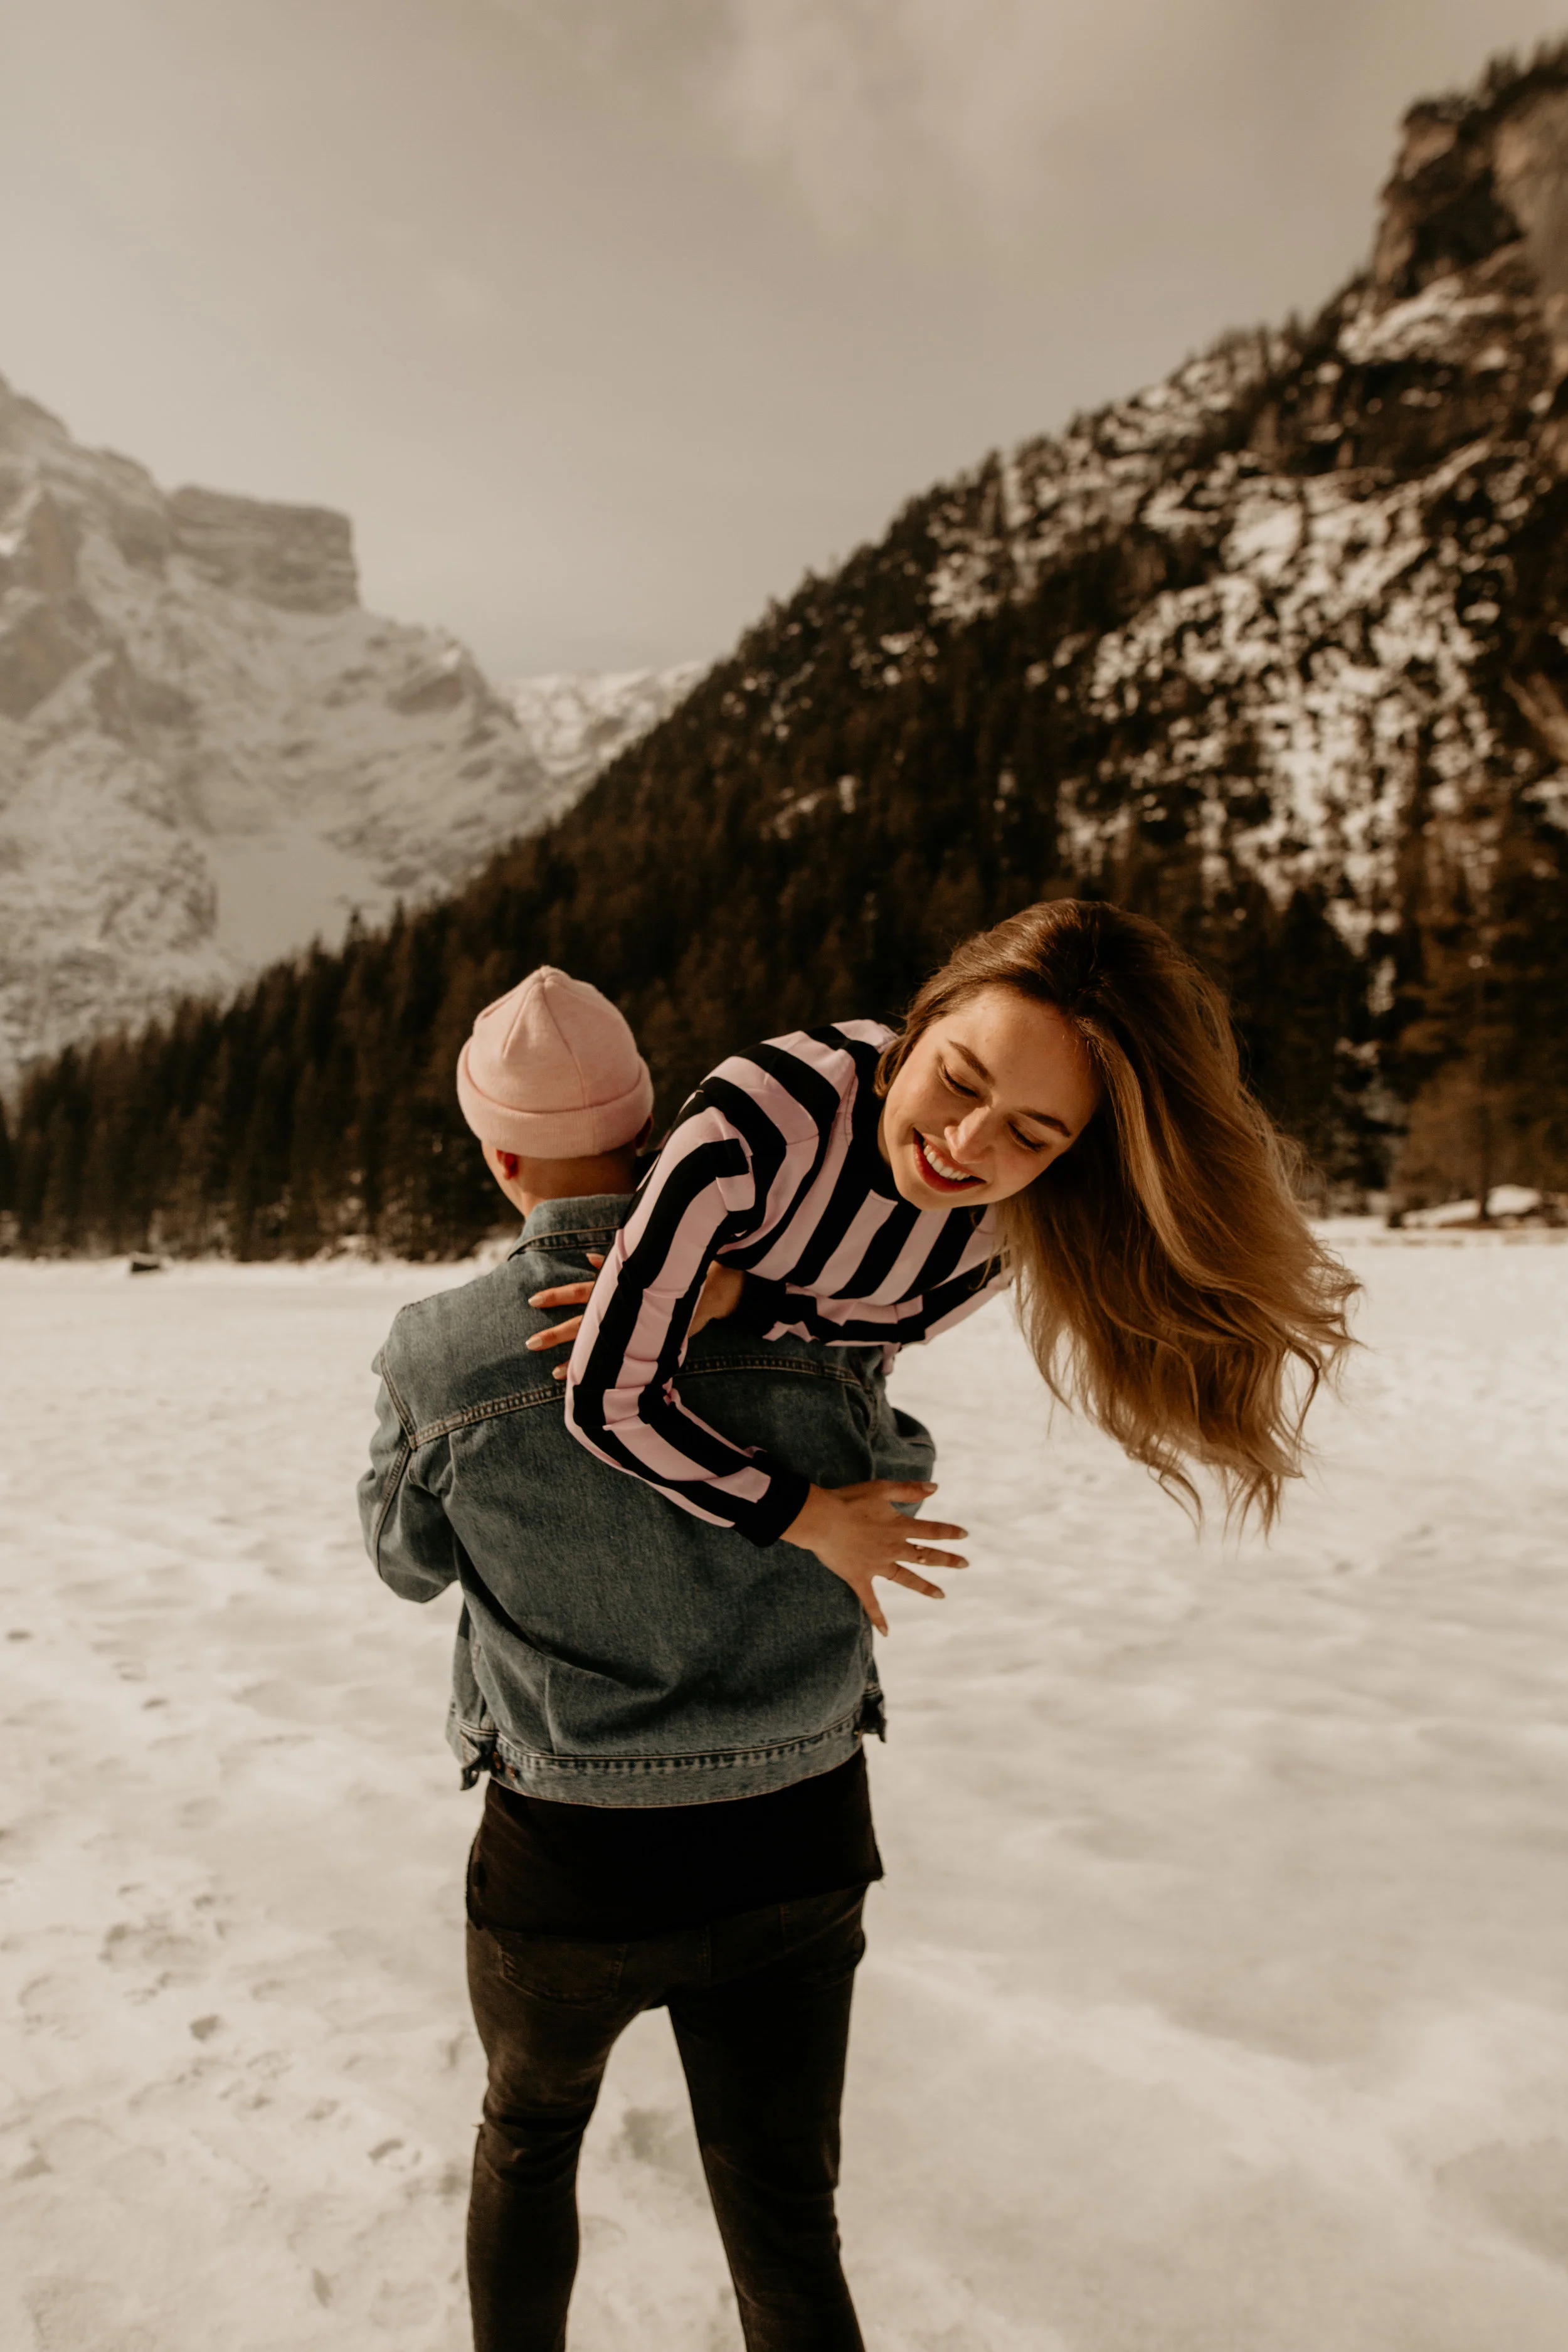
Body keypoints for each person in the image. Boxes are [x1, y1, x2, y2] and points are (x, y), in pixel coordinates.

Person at [359, 967, 950, 2352]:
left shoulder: (437, 1351)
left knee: (527, 2144)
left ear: (499, 1155)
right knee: (786, 2217)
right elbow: (896, 1482)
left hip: (567, 1856)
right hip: (795, 1835)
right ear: (649, 1126)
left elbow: (405, 1563)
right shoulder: (791, 1301)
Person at [555, 898, 1355, 1613]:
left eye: (1030, 1133)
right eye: (960, 1081)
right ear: (920, 1025)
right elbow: (606, 1402)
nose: (965, 1145)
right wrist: (820, 1523)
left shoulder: (1020, 1218)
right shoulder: (749, 1130)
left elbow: (892, 1321)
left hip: (835, 1427)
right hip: (723, 1471)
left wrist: (737, 1299)